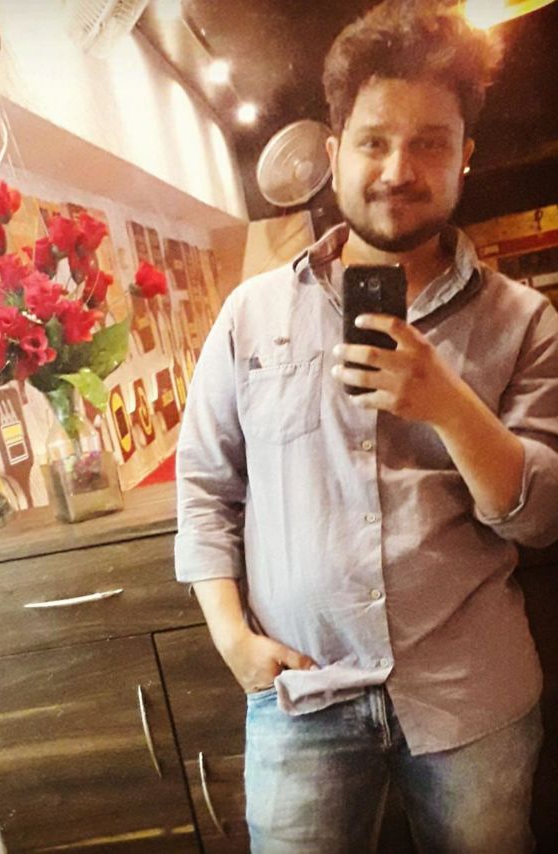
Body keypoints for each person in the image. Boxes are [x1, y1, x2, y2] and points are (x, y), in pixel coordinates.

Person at [174, 1, 558, 851]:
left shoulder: (527, 323)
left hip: (471, 696)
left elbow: (540, 517)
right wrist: (232, 640)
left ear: (464, 155)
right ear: (334, 151)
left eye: (430, 143)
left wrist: (448, 403)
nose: (398, 169)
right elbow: (204, 487)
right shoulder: (251, 315)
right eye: (375, 141)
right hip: (300, 697)